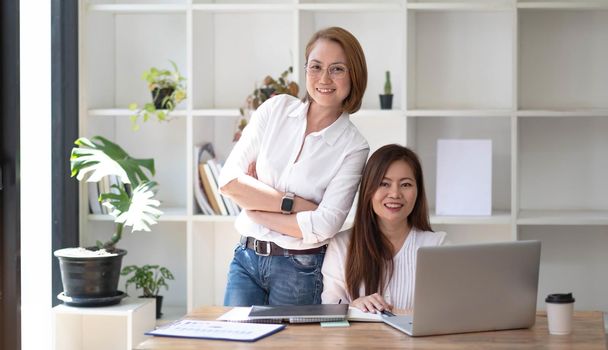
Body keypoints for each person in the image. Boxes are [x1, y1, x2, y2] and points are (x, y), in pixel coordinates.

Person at [218, 27, 370, 306]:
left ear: (354, 76)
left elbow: (325, 225)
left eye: (337, 69)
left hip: (300, 269)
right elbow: (228, 181)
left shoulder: (354, 146)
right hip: (246, 259)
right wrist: (296, 204)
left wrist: (256, 208)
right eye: (316, 67)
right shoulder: (275, 110)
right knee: (236, 343)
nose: (324, 78)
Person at [321, 144, 446, 312]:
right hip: (359, 339)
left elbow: (446, 312)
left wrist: (393, 313)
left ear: (418, 191)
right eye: (384, 184)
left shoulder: (438, 246)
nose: (395, 194)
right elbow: (330, 310)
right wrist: (354, 307)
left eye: (406, 184)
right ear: (368, 190)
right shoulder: (341, 245)